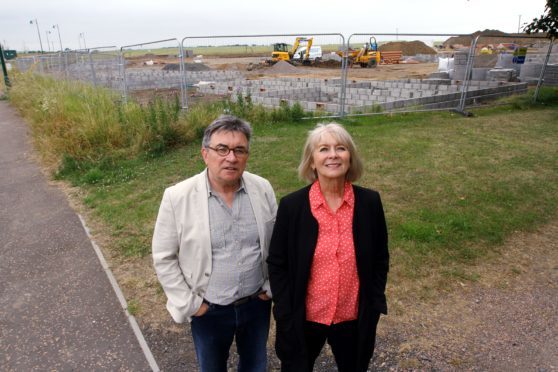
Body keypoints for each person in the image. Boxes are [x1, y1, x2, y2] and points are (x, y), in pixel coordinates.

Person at [152, 115, 277, 372]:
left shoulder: (262, 188)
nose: (231, 158)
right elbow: (164, 257)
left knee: (255, 366)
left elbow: (277, 245)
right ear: (205, 153)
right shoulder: (177, 197)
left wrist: (270, 288)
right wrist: (191, 304)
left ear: (247, 155)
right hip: (208, 310)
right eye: (222, 149)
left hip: (256, 305)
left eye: (239, 150)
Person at [267, 122, 389, 372]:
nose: (333, 155)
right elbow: (277, 264)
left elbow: (380, 258)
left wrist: (374, 302)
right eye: (323, 149)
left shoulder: (369, 203)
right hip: (305, 317)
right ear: (312, 161)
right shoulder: (292, 206)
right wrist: (285, 312)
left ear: (349, 157)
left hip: (353, 315)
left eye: (340, 148)